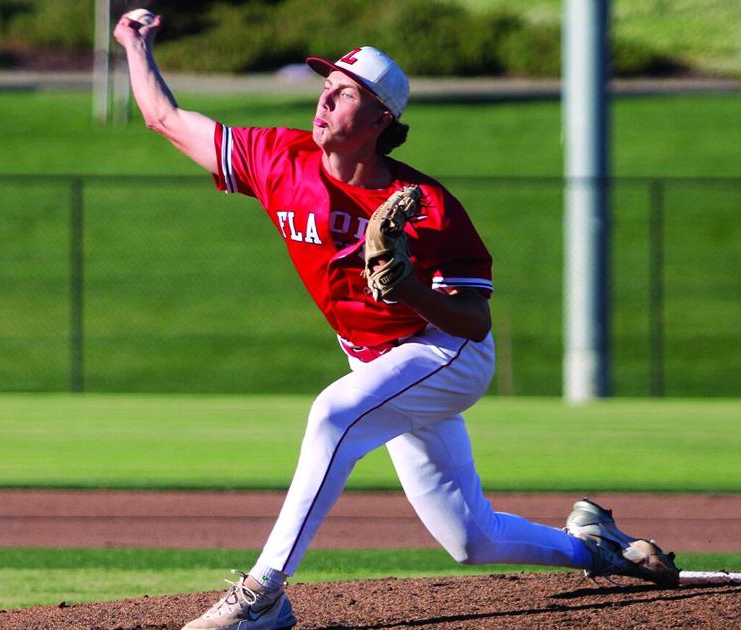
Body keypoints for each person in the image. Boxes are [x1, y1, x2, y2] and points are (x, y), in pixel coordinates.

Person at [113, 13, 679, 630]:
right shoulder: (279, 158)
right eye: (326, 86)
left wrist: (408, 288)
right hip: (379, 364)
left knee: (333, 414)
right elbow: (165, 120)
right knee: (471, 539)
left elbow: (473, 322)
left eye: (345, 92)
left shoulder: (427, 206)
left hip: (445, 353)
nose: (325, 99)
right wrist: (136, 46)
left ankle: (264, 592)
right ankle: (598, 547)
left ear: (381, 119)